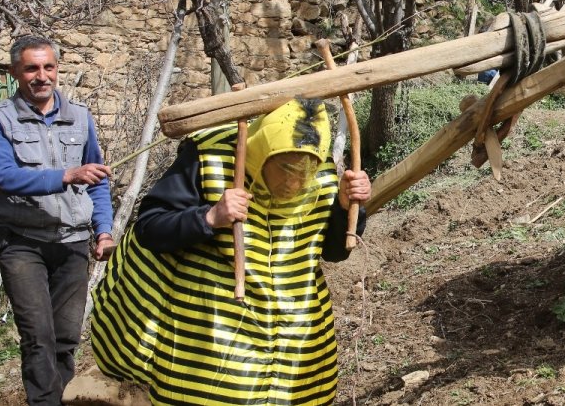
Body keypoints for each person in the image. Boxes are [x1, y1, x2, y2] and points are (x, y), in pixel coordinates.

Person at [89, 97, 371, 405]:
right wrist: (210, 217)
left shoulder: (323, 177)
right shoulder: (211, 157)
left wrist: (347, 209)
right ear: (262, 150)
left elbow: (333, 252)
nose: (293, 182)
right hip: (212, 336)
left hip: (294, 337)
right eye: (285, 167)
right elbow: (151, 228)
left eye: (304, 171)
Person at [0, 36, 115, 406]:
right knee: (38, 336)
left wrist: (103, 229)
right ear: (15, 73)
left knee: (67, 337)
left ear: (57, 69)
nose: (42, 76)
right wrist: (67, 175)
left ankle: (58, 397)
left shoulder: (80, 117)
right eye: (32, 68)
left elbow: (97, 181)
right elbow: (6, 176)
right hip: (22, 243)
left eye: (48, 67)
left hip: (72, 242)